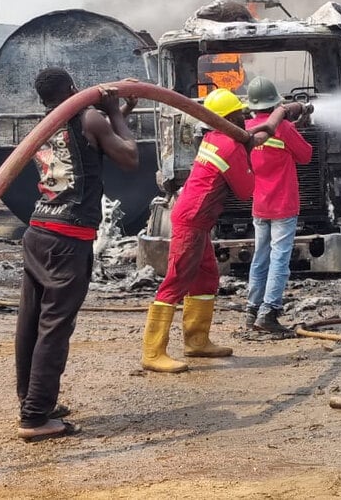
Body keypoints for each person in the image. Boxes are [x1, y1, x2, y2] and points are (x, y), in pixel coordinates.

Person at [16, 68, 139, 441]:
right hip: (68, 239)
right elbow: (130, 157)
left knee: (32, 322)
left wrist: (118, 115)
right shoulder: (92, 117)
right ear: (73, 88)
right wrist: (114, 112)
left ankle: (32, 400)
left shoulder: (45, 123)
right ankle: (36, 418)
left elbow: (83, 146)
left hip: (38, 230)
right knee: (55, 326)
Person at [140, 89, 301, 372]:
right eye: (241, 113)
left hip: (198, 221)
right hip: (192, 221)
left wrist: (260, 136)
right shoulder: (229, 147)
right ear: (232, 117)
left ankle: (197, 341)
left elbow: (253, 138)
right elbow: (245, 190)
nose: (247, 116)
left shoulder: (215, 138)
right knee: (176, 281)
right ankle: (153, 353)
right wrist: (251, 155)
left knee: (205, 279)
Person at [244, 76, 313, 334]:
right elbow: (305, 155)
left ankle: (251, 310)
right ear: (275, 103)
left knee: (260, 258)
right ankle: (269, 312)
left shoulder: (247, 129)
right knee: (279, 259)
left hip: (259, 205)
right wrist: (296, 128)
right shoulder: (283, 129)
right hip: (283, 205)